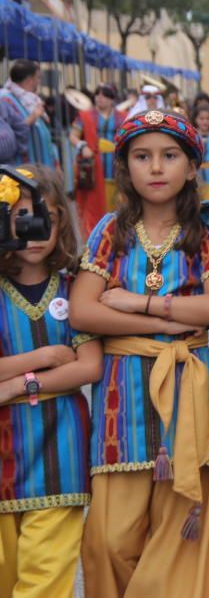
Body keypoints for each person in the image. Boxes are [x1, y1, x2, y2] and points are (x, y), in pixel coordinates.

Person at [70, 109, 209, 598]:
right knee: (108, 541)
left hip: (189, 392)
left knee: (179, 531)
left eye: (169, 156)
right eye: (142, 156)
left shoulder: (204, 233)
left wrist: (136, 301)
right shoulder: (108, 232)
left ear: (190, 167)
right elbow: (83, 312)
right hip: (122, 399)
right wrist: (172, 318)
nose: (156, 167)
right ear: (125, 167)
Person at [0, 166, 102, 598]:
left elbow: (89, 366)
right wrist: (43, 359)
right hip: (5, 454)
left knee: (45, 577)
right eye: (23, 217)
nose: (37, 230)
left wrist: (18, 384)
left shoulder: (76, 286)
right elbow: (68, 364)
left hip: (62, 455)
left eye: (48, 218)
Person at [71, 83, 126, 234]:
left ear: (112, 99)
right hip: (93, 169)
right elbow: (73, 136)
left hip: (116, 168)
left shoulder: (123, 116)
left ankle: (116, 237)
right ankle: (94, 239)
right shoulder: (85, 116)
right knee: (93, 207)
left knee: (118, 205)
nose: (100, 98)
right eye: (97, 94)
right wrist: (82, 147)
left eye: (105, 95)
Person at [0, 60, 55, 168]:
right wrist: (33, 117)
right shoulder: (6, 100)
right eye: (38, 78)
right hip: (24, 170)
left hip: (41, 165)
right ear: (29, 80)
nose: (39, 82)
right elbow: (10, 136)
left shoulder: (31, 100)